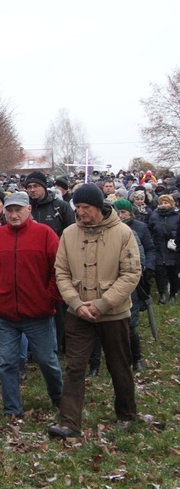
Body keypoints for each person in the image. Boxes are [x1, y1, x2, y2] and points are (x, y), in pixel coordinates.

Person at [48, 184, 141, 439]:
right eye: (77, 207)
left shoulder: (123, 233)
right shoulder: (69, 234)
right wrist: (76, 303)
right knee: (75, 366)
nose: (80, 212)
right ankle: (69, 423)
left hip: (113, 313)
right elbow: (62, 272)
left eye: (85, 207)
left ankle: (126, 414)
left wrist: (102, 304)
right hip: (78, 313)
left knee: (119, 365)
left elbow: (131, 273)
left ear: (99, 207)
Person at [0, 192, 63, 417]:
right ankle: (12, 409)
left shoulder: (45, 234)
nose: (14, 215)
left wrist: (49, 298)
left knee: (47, 360)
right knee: (7, 363)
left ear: (29, 210)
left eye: (18, 210)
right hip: (5, 314)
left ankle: (60, 399)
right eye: (10, 210)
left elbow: (59, 269)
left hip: (38, 313)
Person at [89, 198, 155, 375]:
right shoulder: (87, 233)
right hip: (95, 286)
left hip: (123, 289)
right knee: (94, 327)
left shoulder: (127, 233)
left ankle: (136, 359)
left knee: (129, 326)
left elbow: (138, 260)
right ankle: (94, 365)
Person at [148, 194, 179, 304]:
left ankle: (172, 294)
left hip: (173, 248)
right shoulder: (154, 215)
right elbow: (150, 229)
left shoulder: (177, 215)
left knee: (173, 272)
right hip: (158, 247)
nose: (163, 205)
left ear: (171, 204)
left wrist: (173, 234)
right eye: (161, 203)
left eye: (166, 203)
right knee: (160, 272)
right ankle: (162, 294)